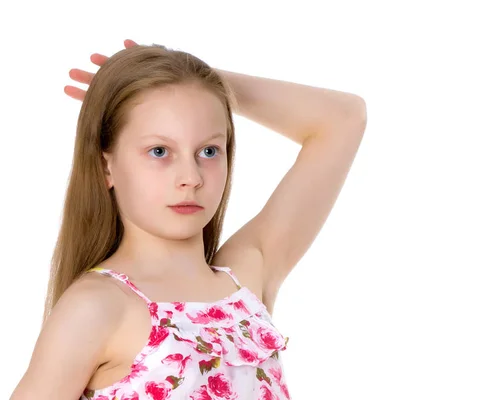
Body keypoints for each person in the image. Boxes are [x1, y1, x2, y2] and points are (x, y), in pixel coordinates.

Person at [9, 39, 367, 400]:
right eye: (160, 151)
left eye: (209, 151)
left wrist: (202, 81)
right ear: (107, 166)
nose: (191, 177)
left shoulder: (246, 279)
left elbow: (343, 118)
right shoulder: (96, 307)